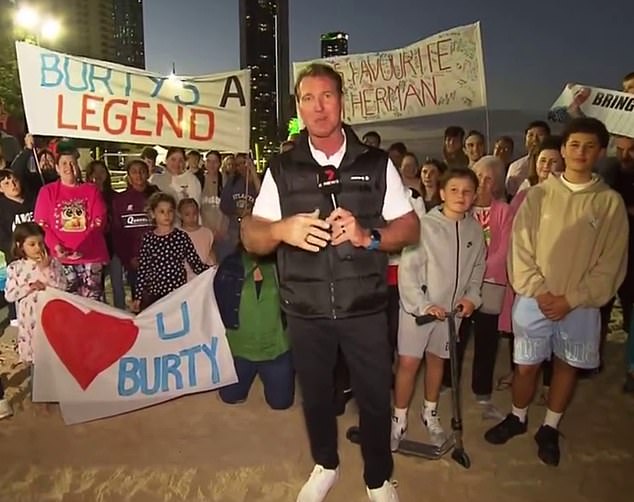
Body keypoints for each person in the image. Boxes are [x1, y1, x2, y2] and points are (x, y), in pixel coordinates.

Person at [241, 62, 419, 502]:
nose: (318, 107)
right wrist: (282, 230)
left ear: (341, 101)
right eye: (307, 99)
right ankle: (326, 464)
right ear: (298, 107)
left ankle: (378, 477)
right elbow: (251, 234)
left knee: (375, 397)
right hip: (306, 308)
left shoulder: (376, 164)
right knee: (317, 397)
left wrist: (369, 236)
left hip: (365, 306)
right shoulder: (282, 168)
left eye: (326, 96)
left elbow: (410, 227)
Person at [484, 118, 628, 467]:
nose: (580, 152)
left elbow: (611, 263)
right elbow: (521, 248)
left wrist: (571, 300)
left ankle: (549, 427)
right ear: (563, 150)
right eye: (574, 145)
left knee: (566, 367)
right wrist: (539, 291)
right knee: (526, 367)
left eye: (589, 146)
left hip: (580, 306)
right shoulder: (539, 195)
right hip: (535, 300)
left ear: (600, 151)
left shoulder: (609, 203)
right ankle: (518, 417)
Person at [392, 167, 486, 449]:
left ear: (474, 196)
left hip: (450, 314)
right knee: (408, 362)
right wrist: (423, 304)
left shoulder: (475, 230)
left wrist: (471, 297)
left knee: (437, 361)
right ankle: (398, 418)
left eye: (467, 191)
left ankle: (430, 412)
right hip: (418, 312)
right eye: (454, 190)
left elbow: (477, 268)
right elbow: (408, 271)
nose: (461, 196)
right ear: (442, 193)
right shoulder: (424, 227)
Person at [441, 157, 513, 415]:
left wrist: (477, 270)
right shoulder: (462, 209)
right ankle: (448, 381)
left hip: (491, 285)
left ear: (496, 183)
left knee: (486, 341)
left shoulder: (504, 210)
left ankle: (482, 392)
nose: (482, 182)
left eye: (488, 178)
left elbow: (504, 251)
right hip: (460, 284)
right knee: (456, 336)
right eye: (478, 176)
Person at [215, 246, 294, 410]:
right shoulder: (230, 264)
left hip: (275, 347)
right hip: (240, 348)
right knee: (229, 397)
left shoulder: (281, 262)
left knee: (281, 403)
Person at [34, 151, 108, 300]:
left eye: (72, 163)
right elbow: (42, 224)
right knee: (68, 306)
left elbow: (99, 220)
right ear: (57, 168)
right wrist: (56, 246)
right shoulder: (47, 191)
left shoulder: (91, 190)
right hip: (61, 259)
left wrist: (83, 246)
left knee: (93, 305)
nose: (69, 167)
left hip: (90, 257)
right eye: (64, 163)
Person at [131, 192, 209, 312]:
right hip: (156, 295)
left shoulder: (181, 236)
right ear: (153, 214)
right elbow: (143, 269)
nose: (166, 215)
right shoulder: (148, 239)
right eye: (161, 211)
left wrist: (211, 271)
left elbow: (195, 263)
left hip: (178, 294)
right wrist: (138, 297)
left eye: (170, 211)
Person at [4, 223, 65, 365]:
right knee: (35, 365)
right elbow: (9, 294)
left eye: (40, 243)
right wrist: (29, 287)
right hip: (29, 323)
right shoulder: (15, 268)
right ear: (20, 245)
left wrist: (45, 269)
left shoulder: (53, 264)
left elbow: (62, 286)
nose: (38, 248)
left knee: (53, 362)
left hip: (51, 320)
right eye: (32, 244)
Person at [111, 159, 158, 295]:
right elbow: (117, 233)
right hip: (134, 261)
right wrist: (128, 258)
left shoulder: (157, 196)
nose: (139, 175)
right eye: (134, 172)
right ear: (129, 176)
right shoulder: (119, 200)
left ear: (148, 174)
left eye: (142, 171)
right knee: (140, 301)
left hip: (157, 259)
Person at [0, 169, 36, 326]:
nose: (12, 185)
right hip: (17, 262)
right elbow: (2, 239)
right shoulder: (2, 208)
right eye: (6, 183)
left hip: (38, 258)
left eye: (14, 180)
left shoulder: (33, 199)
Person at [219, 153, 260, 261]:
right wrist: (236, 210)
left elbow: (263, 197)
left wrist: (254, 174)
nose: (241, 167)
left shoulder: (259, 180)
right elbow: (224, 205)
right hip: (234, 228)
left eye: (244, 163)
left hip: (252, 228)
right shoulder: (232, 181)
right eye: (238, 164)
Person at [505, 121, 551, 197]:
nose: (535, 139)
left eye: (540, 135)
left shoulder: (554, 163)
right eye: (530, 135)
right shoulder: (515, 166)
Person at [178, 198, 215, 281]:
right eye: (187, 214)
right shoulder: (178, 234)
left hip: (206, 276)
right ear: (180, 215)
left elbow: (211, 253)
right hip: (186, 279)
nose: (192, 217)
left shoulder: (207, 232)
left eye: (194, 213)